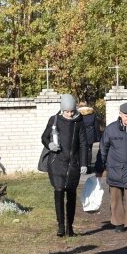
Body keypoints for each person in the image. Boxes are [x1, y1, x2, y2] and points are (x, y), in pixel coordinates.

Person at [41, 94, 88, 237]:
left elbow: (83, 144)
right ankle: (61, 226)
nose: (69, 114)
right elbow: (44, 136)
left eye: (72, 111)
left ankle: (70, 227)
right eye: (67, 111)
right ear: (62, 110)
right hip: (57, 163)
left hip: (73, 163)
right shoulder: (54, 120)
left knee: (72, 194)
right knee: (59, 191)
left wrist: (84, 163)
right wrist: (50, 144)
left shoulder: (79, 121)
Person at [97, 102, 127, 236]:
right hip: (115, 169)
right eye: (126, 116)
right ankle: (118, 222)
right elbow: (103, 149)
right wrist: (101, 166)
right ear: (120, 114)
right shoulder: (111, 129)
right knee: (116, 197)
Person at [78, 100, 102, 171]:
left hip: (80, 135)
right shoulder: (92, 115)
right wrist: (98, 137)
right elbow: (96, 126)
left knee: (80, 150)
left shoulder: (78, 115)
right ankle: (88, 166)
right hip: (90, 135)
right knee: (89, 151)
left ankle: (81, 165)